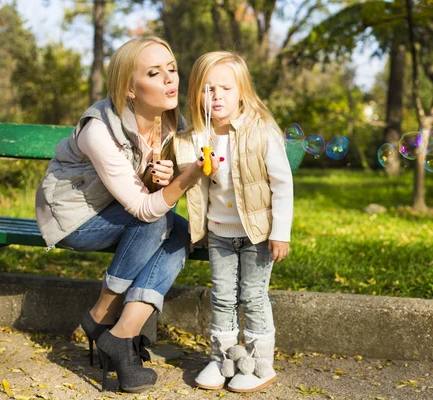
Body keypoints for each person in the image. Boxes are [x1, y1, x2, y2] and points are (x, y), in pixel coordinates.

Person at [35, 36, 217, 393]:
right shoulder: (98, 130)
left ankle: (122, 334)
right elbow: (144, 209)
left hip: (121, 211)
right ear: (129, 89)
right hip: (75, 219)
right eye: (154, 72)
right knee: (157, 221)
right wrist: (185, 177)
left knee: (179, 233)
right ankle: (102, 313)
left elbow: (152, 195)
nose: (170, 80)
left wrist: (161, 178)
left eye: (172, 69)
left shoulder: (169, 123)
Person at [175, 51, 294, 393]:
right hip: (220, 234)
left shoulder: (261, 132)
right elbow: (192, 185)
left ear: (242, 90)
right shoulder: (196, 137)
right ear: (196, 93)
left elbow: (282, 185)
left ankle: (259, 365)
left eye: (225, 88)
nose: (216, 97)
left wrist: (280, 232)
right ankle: (224, 360)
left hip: (257, 234)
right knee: (223, 298)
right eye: (207, 89)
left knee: (253, 298)